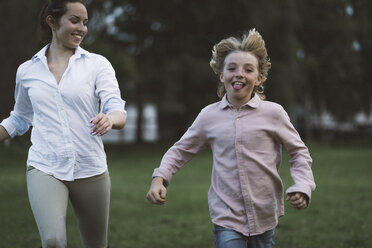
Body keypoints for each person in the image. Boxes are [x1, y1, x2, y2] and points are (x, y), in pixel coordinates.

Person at [146, 29, 316, 248]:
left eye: (248, 69)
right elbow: (180, 151)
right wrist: (159, 179)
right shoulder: (209, 116)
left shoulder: (274, 113)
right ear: (221, 75)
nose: (239, 74)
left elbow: (298, 152)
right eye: (232, 68)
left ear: (259, 78)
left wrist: (303, 185)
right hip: (226, 215)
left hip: (264, 215)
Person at [0, 0, 126, 247]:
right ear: (52, 21)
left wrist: (109, 119)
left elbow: (117, 110)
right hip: (45, 165)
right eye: (75, 20)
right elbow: (20, 118)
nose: (82, 28)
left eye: (85, 22)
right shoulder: (27, 71)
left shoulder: (97, 65)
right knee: (54, 241)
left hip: (90, 167)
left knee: (96, 244)